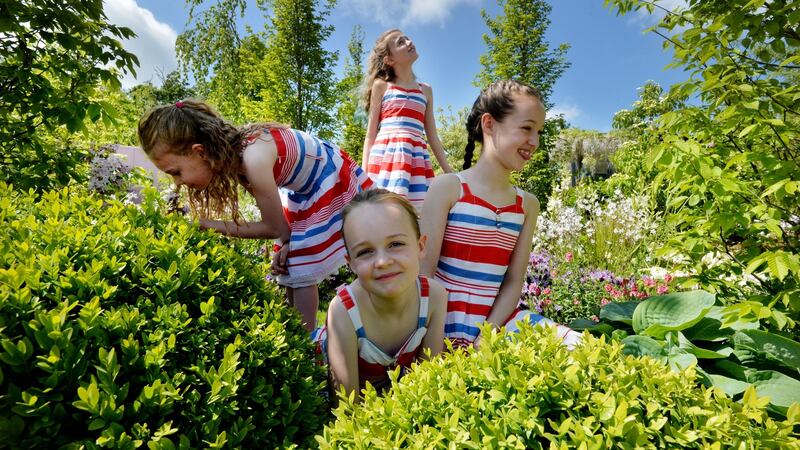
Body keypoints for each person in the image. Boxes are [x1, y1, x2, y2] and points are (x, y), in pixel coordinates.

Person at [137, 99, 372, 331]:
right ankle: (296, 338)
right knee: (290, 264)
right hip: (305, 189)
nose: (178, 183)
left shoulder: (253, 159)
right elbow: (279, 227)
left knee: (301, 269)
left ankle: (307, 343)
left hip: (331, 180)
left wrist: (204, 224)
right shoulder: (237, 158)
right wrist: (287, 242)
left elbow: (271, 227)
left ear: (199, 152)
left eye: (176, 172)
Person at [420, 80, 581, 350]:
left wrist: (487, 335)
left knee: (580, 347)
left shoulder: (527, 205)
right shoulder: (448, 188)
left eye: (539, 131)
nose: (535, 141)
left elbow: (513, 282)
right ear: (489, 124)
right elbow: (425, 277)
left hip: (498, 324)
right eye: (526, 128)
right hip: (440, 324)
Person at [312, 188, 447, 397]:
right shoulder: (344, 311)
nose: (383, 262)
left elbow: (429, 387)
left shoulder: (434, 298)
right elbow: (347, 410)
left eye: (395, 244)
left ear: (420, 246)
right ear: (352, 264)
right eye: (365, 252)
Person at [361, 29, 453, 210]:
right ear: (389, 59)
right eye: (401, 42)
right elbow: (370, 135)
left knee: (416, 212)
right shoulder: (381, 86)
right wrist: (363, 176)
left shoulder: (425, 90)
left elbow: (432, 135)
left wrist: (449, 171)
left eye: (407, 38)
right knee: (385, 209)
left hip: (416, 162)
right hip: (386, 161)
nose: (409, 42)